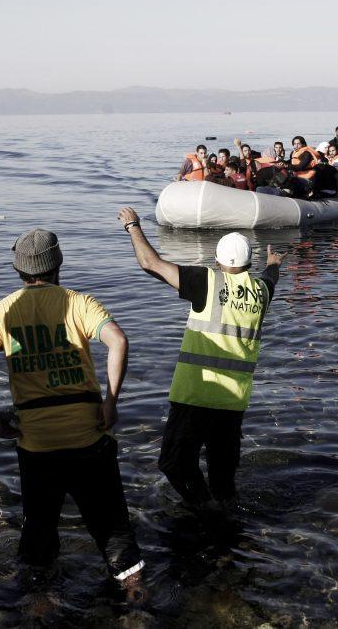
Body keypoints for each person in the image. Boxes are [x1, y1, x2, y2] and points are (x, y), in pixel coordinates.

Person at [0, 229, 145, 597]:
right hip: (89, 437)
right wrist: (110, 402)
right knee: (114, 534)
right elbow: (118, 341)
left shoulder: (0, 312)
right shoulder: (79, 303)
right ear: (58, 264)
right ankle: (136, 605)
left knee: (39, 536)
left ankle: (39, 608)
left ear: (18, 268)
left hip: (37, 445)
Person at [117, 208, 286, 511]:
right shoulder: (261, 292)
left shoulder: (208, 282)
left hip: (196, 395)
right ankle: (228, 529)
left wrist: (132, 226)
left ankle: (206, 511)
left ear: (218, 261)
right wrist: (274, 264)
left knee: (173, 463)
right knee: (224, 479)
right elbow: (270, 278)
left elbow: (150, 263)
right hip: (233, 402)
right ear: (249, 263)